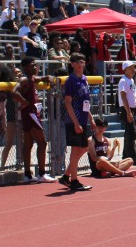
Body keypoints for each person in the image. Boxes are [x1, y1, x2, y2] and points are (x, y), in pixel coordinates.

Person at [11, 56, 56, 183]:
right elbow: (14, 92)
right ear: (25, 67)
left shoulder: (31, 78)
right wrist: (24, 102)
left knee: (28, 143)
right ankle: (42, 173)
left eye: (36, 65)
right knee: (42, 143)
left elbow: (44, 78)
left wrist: (50, 78)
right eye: (32, 65)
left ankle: (28, 175)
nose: (35, 67)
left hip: (30, 113)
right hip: (31, 113)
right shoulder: (24, 79)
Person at [59, 53, 96, 190]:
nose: (80, 64)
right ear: (72, 64)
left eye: (82, 61)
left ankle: (66, 176)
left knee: (84, 147)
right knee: (75, 150)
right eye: (77, 61)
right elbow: (68, 102)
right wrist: (75, 123)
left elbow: (85, 102)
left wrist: (90, 117)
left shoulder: (85, 79)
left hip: (83, 119)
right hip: (73, 120)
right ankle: (73, 180)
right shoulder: (71, 81)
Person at [118, 60, 136, 162]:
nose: (133, 69)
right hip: (127, 109)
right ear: (125, 69)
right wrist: (128, 112)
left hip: (131, 108)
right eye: (131, 68)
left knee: (129, 133)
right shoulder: (124, 81)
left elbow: (131, 95)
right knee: (131, 133)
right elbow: (123, 96)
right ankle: (131, 156)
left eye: (133, 67)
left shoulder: (131, 80)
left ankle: (126, 155)